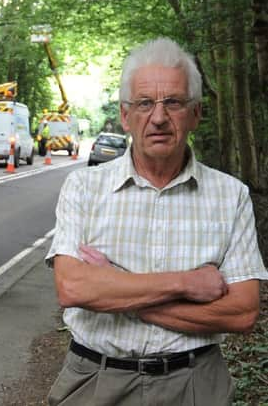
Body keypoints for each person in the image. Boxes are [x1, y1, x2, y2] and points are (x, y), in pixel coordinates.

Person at [45, 37, 268, 406]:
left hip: (196, 385)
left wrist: (117, 286)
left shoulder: (231, 196)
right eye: (145, 103)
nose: (159, 117)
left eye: (174, 103)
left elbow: (242, 312)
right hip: (95, 382)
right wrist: (188, 283)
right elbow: (73, 289)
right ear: (124, 115)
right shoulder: (84, 187)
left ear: (196, 114)